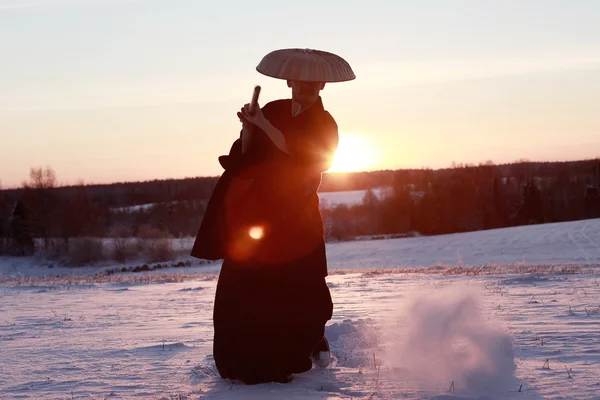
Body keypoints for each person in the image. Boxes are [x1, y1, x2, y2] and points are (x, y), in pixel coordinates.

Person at [191, 48, 355, 384]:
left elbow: (303, 154)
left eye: (310, 85)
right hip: (262, 209)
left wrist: (263, 124)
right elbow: (249, 152)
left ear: (322, 85)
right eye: (297, 83)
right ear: (289, 81)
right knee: (243, 281)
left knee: (301, 286)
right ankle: (239, 359)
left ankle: (300, 348)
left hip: (298, 215)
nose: (301, 90)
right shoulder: (275, 109)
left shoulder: (325, 123)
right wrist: (249, 128)